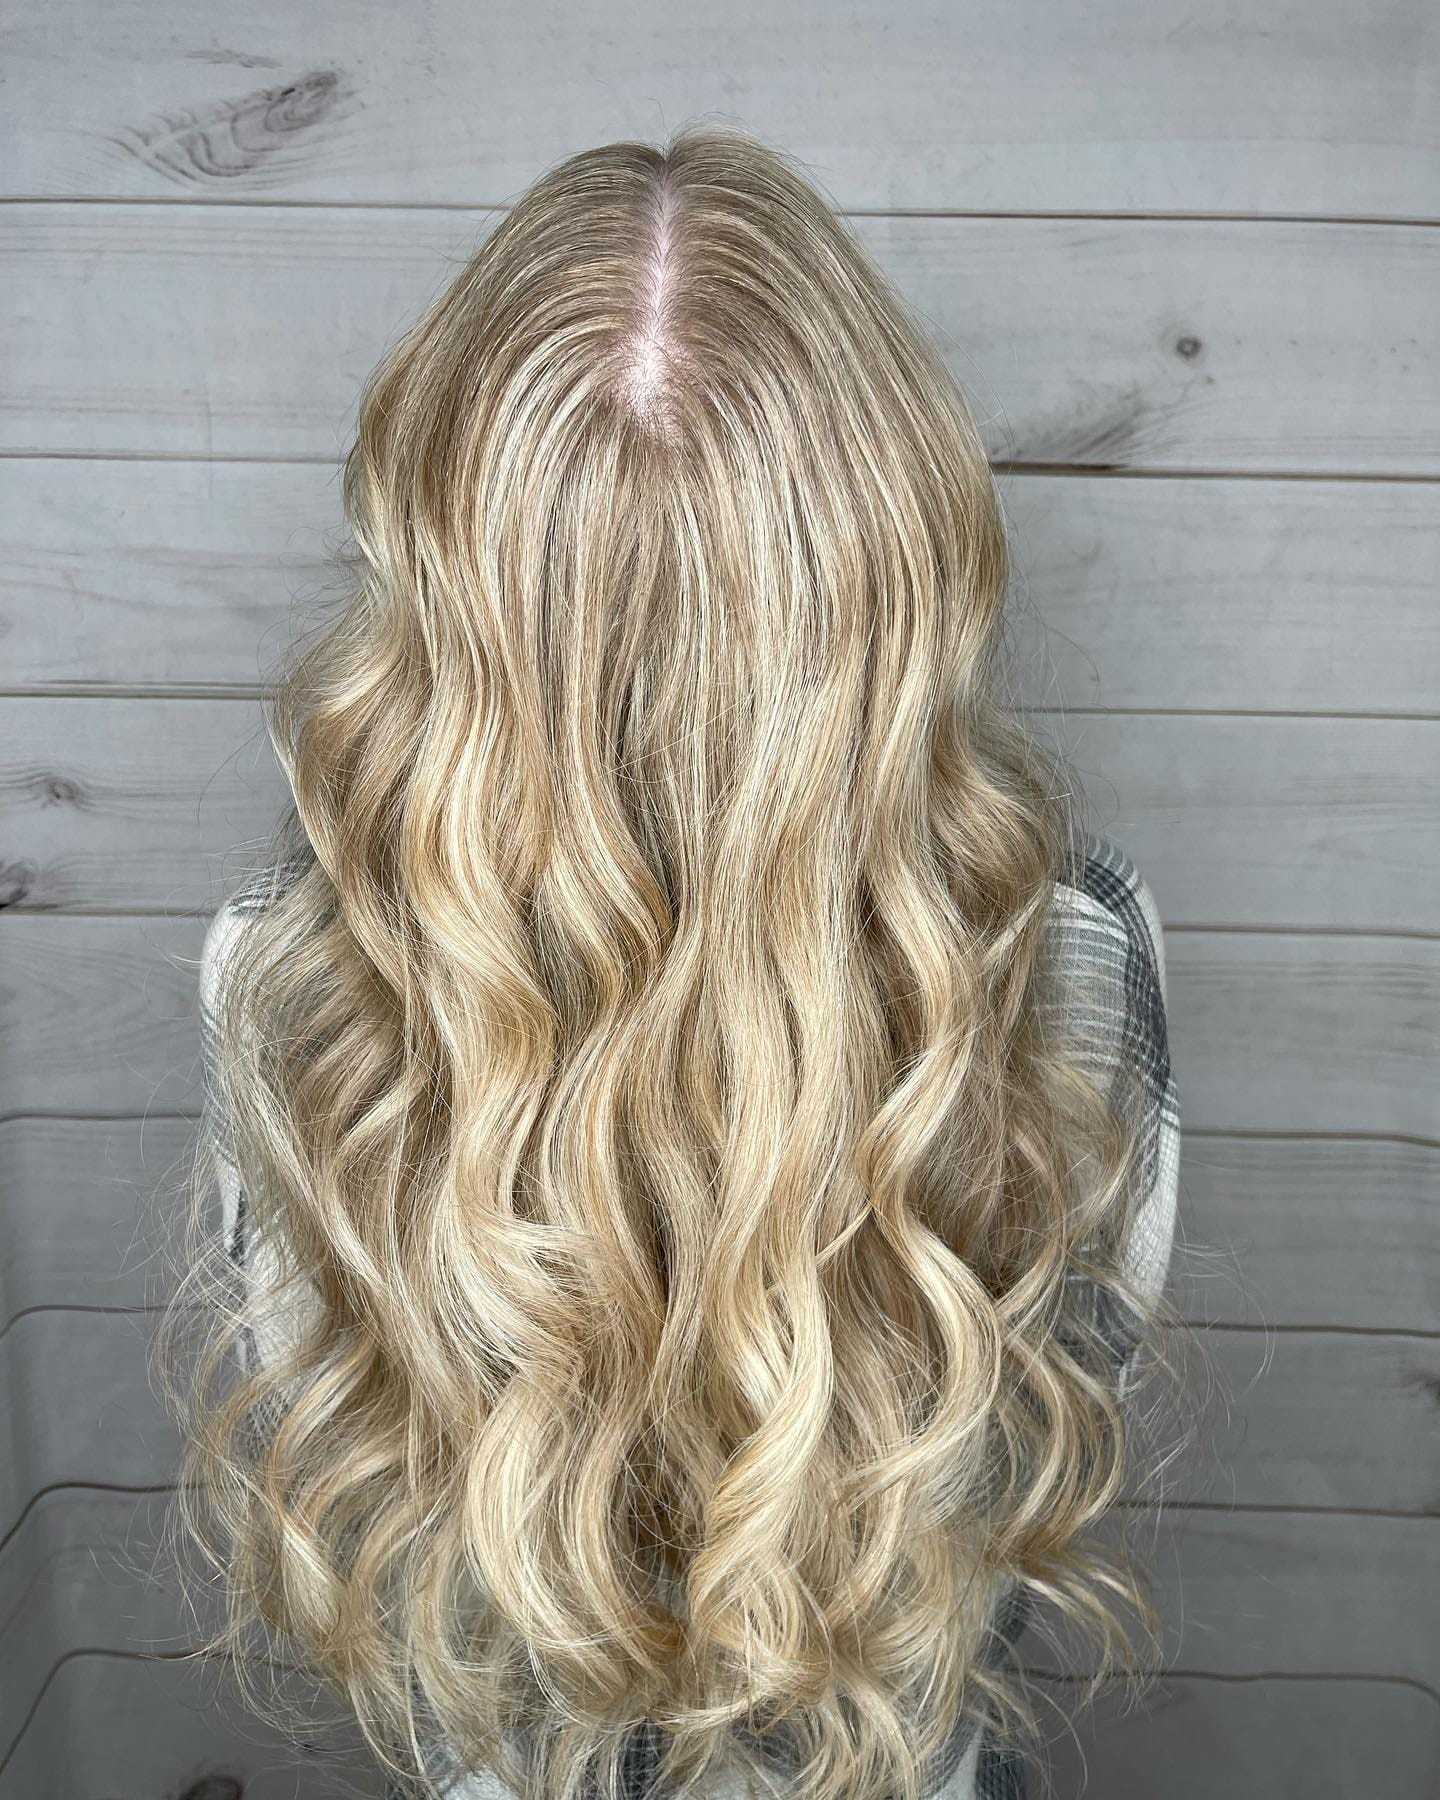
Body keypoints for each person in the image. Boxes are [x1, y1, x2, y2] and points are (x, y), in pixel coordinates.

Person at [176, 126, 1181, 1800]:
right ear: (893, 580)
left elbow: (315, 1400)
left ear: (443, 579)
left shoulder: (285, 993)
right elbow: (1060, 1414)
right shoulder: (1079, 959)